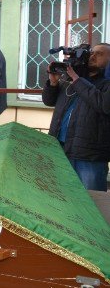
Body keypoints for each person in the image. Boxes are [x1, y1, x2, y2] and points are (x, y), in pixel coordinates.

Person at [43, 43, 110, 191]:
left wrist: (77, 80)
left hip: (89, 156)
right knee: (60, 198)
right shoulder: (73, 80)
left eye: (99, 54)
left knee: (92, 203)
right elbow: (49, 101)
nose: (92, 56)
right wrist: (53, 82)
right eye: (92, 52)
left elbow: (104, 105)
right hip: (60, 149)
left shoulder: (104, 84)